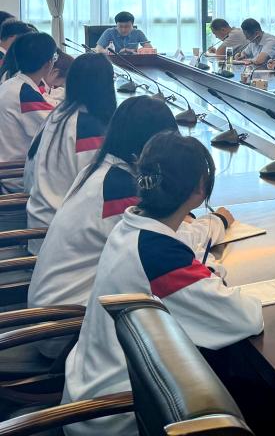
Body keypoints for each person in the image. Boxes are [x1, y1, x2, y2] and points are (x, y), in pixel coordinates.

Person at [61, 131, 262, 436]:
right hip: (117, 413)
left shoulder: (131, 226)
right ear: (200, 188)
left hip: (90, 386)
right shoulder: (160, 256)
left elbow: (184, 240)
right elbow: (245, 317)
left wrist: (211, 238)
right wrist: (213, 275)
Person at [28, 96, 233, 313]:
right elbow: (174, 245)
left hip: (58, 301)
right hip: (68, 316)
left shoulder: (102, 170)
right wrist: (217, 222)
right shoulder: (121, 191)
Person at [22, 54, 116, 242]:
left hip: (41, 219)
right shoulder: (86, 129)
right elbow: (99, 190)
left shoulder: (60, 114)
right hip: (57, 232)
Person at [0, 33, 56, 162]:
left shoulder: (11, 84)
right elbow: (56, 127)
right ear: (48, 63)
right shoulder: (24, 94)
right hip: (15, 169)